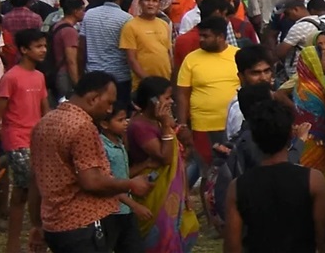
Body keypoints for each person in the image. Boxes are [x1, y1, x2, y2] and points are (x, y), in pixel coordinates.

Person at [32, 72, 154, 253]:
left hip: (54, 225)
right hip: (82, 225)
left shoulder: (44, 123)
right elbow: (91, 181)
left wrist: (37, 224)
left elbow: (35, 178)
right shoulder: (82, 126)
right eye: (109, 103)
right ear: (93, 98)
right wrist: (131, 184)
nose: (109, 110)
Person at [224, 99, 325, 253]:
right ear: (290, 134)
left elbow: (232, 247)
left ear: (254, 138)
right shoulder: (313, 180)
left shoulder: (237, 187)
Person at [0, 28, 49, 253]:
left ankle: (25, 241)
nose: (43, 50)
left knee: (24, 193)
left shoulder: (39, 76)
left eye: (44, 45)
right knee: (29, 188)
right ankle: (22, 241)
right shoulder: (11, 77)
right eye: (38, 46)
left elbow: (45, 111)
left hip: (36, 139)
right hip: (17, 139)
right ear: (23, 50)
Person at [126, 76, 200, 253]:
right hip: (154, 193)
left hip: (172, 192)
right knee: (160, 240)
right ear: (153, 100)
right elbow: (165, 157)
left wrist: (186, 194)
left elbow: (182, 151)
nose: (171, 101)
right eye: (167, 98)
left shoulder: (159, 121)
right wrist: (167, 125)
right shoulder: (140, 126)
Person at [175, 16, 239, 167]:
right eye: (200, 35)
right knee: (208, 170)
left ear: (221, 37)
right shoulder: (191, 59)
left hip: (234, 126)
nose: (201, 40)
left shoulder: (238, 55)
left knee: (233, 168)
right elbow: (182, 95)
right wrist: (183, 125)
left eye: (206, 36)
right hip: (203, 126)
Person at [293, 29, 325, 198]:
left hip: (304, 140)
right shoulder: (311, 87)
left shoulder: (300, 85)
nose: (323, 51)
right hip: (320, 142)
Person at [97, 102, 149, 253]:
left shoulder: (119, 143)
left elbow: (123, 175)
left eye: (126, 119)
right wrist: (134, 205)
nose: (125, 123)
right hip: (111, 212)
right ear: (104, 124)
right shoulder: (101, 147)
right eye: (120, 120)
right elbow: (108, 183)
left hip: (125, 210)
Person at [82, 0, 134, 93]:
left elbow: (82, 49)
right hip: (119, 77)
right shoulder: (126, 19)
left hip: (93, 75)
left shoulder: (89, 15)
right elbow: (130, 54)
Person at [120, 0, 172, 88]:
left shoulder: (164, 24)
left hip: (165, 82)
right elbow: (131, 59)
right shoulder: (130, 26)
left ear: (159, 4)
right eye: (147, 0)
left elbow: (169, 53)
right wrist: (149, 81)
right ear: (140, 3)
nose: (151, 4)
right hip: (142, 85)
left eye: (154, 1)